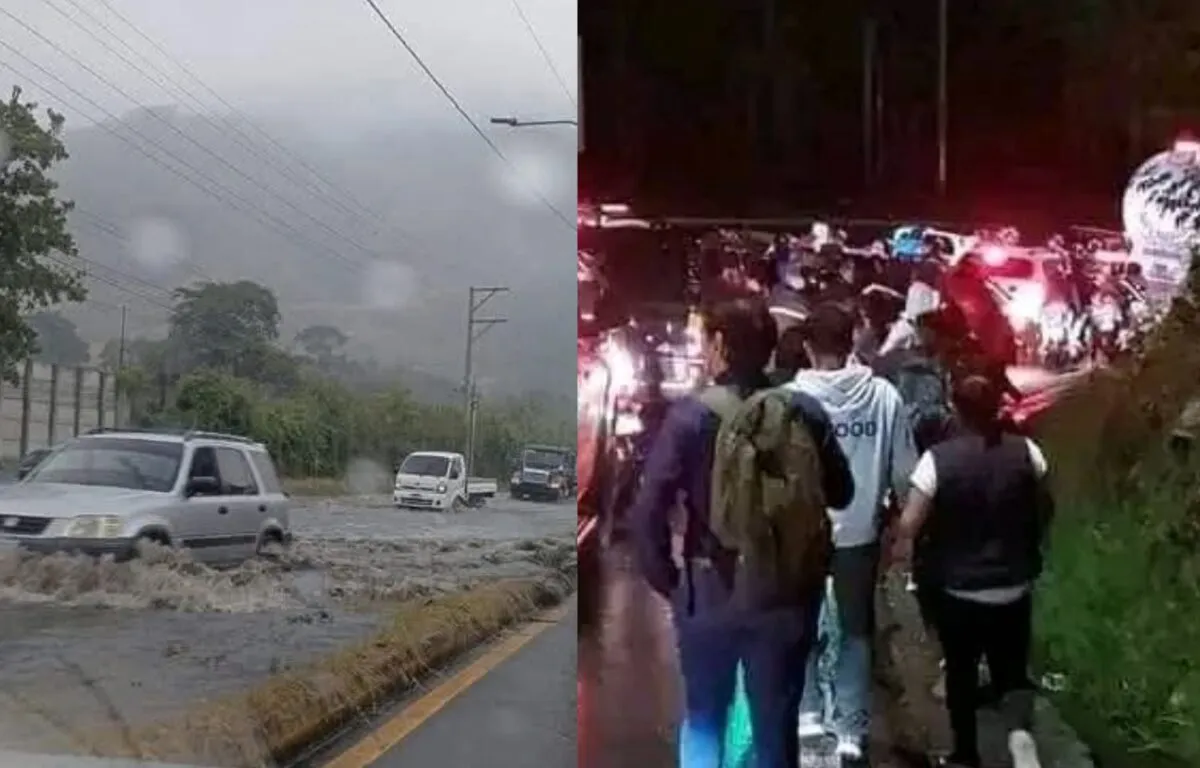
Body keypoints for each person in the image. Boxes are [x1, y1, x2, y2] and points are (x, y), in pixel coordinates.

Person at [632, 297, 854, 768]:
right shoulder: (803, 412)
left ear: (719, 344)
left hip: (710, 587)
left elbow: (648, 510)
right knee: (775, 724)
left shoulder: (690, 417)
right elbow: (842, 493)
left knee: (705, 717)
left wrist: (672, 585)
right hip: (784, 594)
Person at [891, 374, 1054, 768]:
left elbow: (909, 524)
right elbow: (1045, 507)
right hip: (1014, 584)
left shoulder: (937, 461)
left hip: (960, 590)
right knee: (1012, 672)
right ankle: (1021, 741)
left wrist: (904, 552)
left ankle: (965, 754)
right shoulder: (1027, 452)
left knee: (961, 674)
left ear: (955, 408)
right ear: (997, 407)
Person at [785, 302, 918, 763]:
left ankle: (806, 714)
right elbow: (906, 473)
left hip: (802, 533)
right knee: (858, 630)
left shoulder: (789, 400)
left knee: (802, 621)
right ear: (853, 342)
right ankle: (850, 729)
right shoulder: (884, 397)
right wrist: (904, 529)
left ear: (806, 347)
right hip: (860, 532)